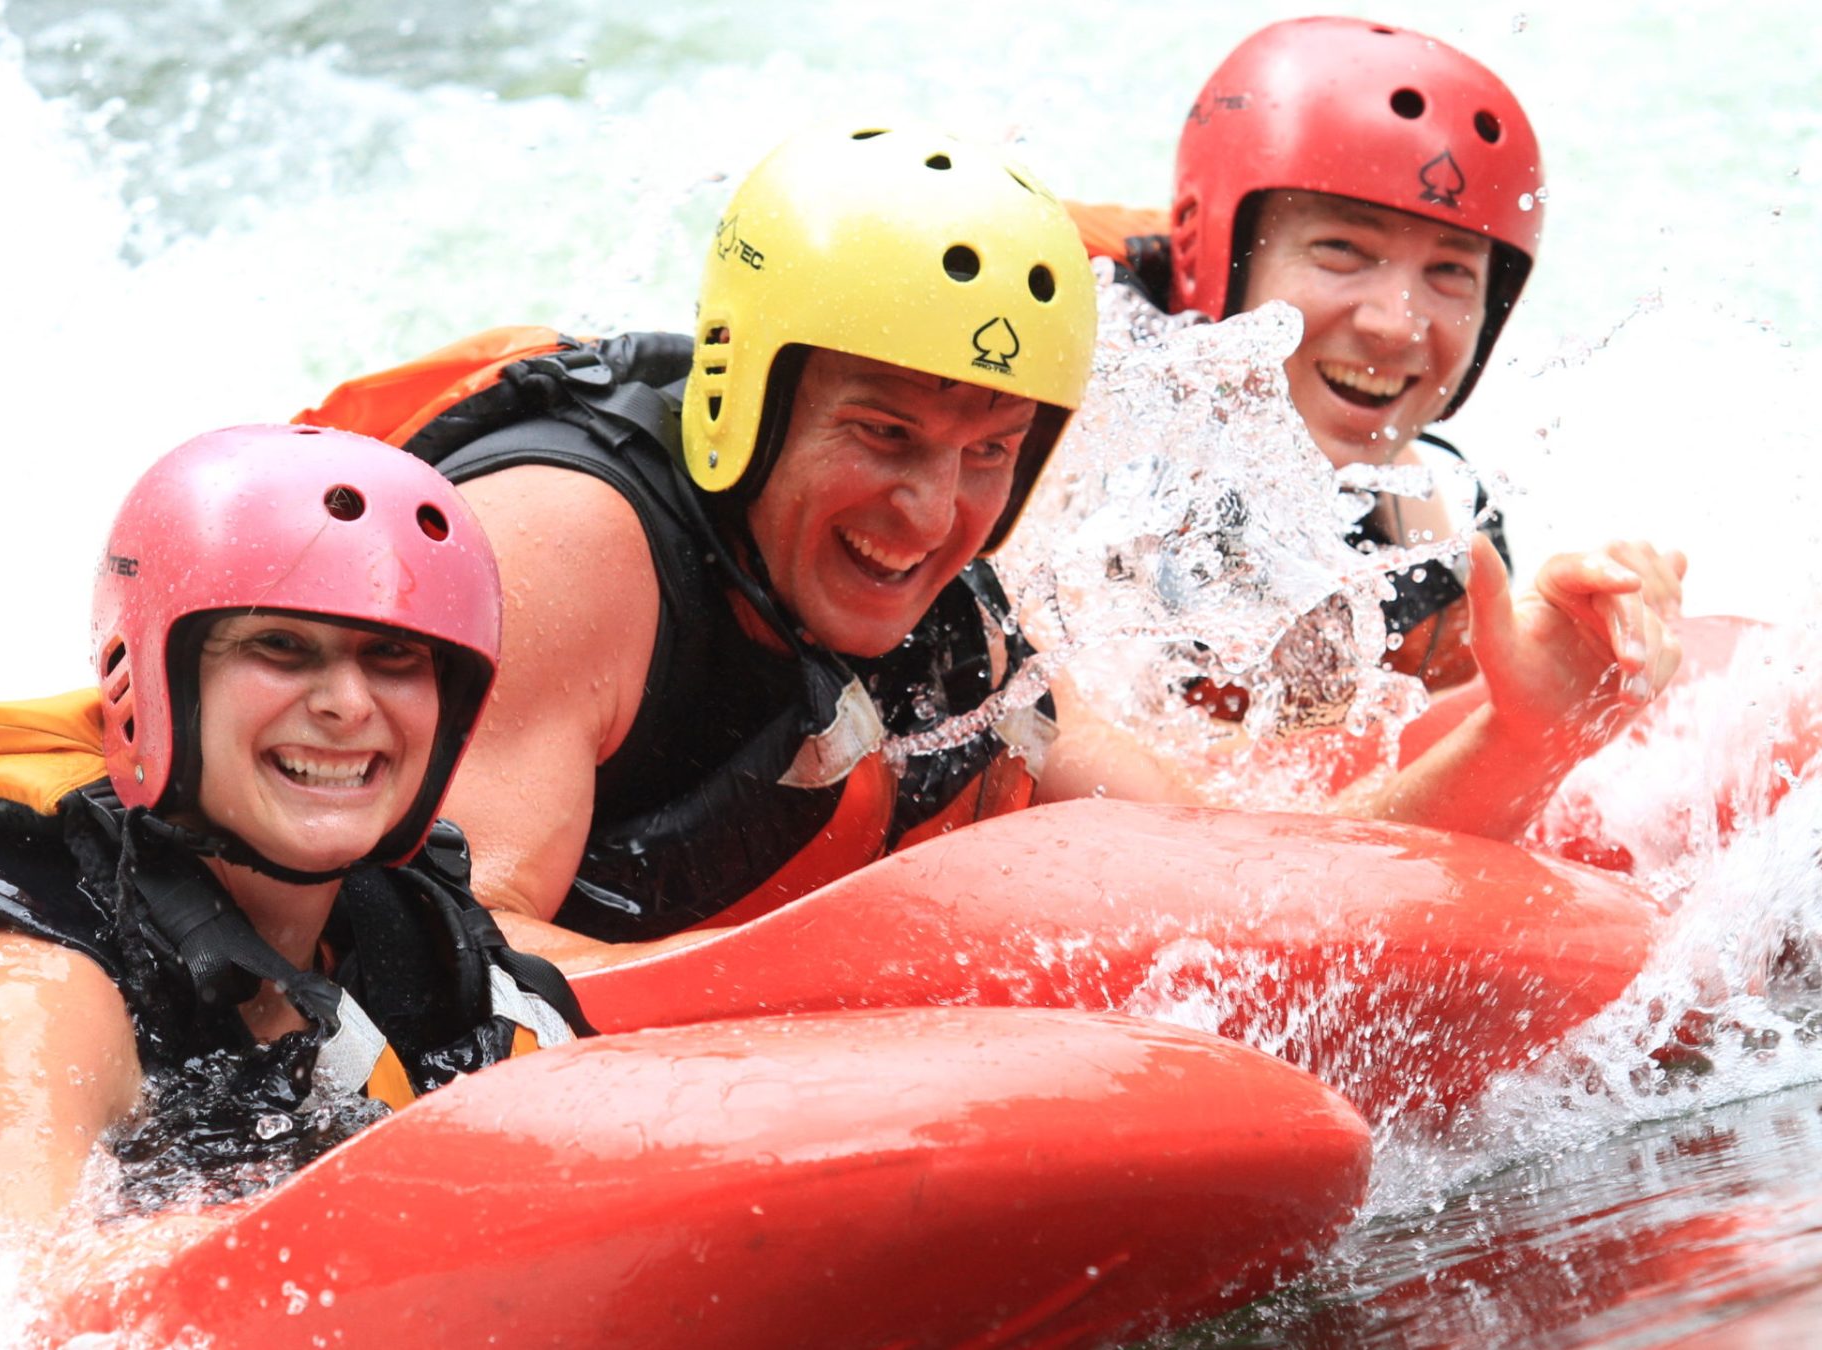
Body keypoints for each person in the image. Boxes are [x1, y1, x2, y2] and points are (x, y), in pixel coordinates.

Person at [321, 119, 1676, 975]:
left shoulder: (964, 640)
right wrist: (869, 982)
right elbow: (447, 968)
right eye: (882, 433)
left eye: (989, 453)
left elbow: (1265, 886)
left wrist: (1526, 731)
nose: (931, 513)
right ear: (749, 396)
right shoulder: (569, 548)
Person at [0, 426, 587, 1290]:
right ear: (142, 681)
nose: (349, 704)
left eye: (394, 657)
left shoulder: (405, 936)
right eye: (279, 646)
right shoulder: (27, 993)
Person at [1090, 15, 1687, 690]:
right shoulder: (1058, 376)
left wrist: (1570, 660)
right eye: (1342, 250)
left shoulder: (1429, 564)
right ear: (1212, 252)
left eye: (1450, 272)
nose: (1397, 327)